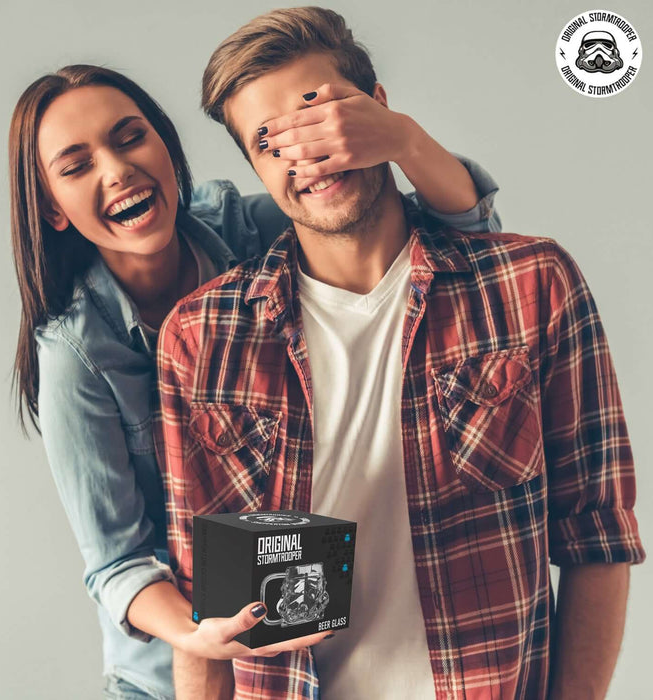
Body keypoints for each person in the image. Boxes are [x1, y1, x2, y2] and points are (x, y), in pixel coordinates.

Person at [156, 7, 646, 700]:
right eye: (270, 143)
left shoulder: (532, 284)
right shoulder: (201, 338)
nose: (305, 154)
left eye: (320, 117)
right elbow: (203, 605)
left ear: (377, 108)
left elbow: (598, 538)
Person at [9, 62, 501, 700]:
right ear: (51, 207)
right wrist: (199, 634)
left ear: (165, 144)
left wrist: (403, 139)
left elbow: (462, 236)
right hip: (173, 674)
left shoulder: (251, 232)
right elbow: (116, 565)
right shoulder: (76, 353)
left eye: (130, 138)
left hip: (319, 642)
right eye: (77, 166)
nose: (117, 170)